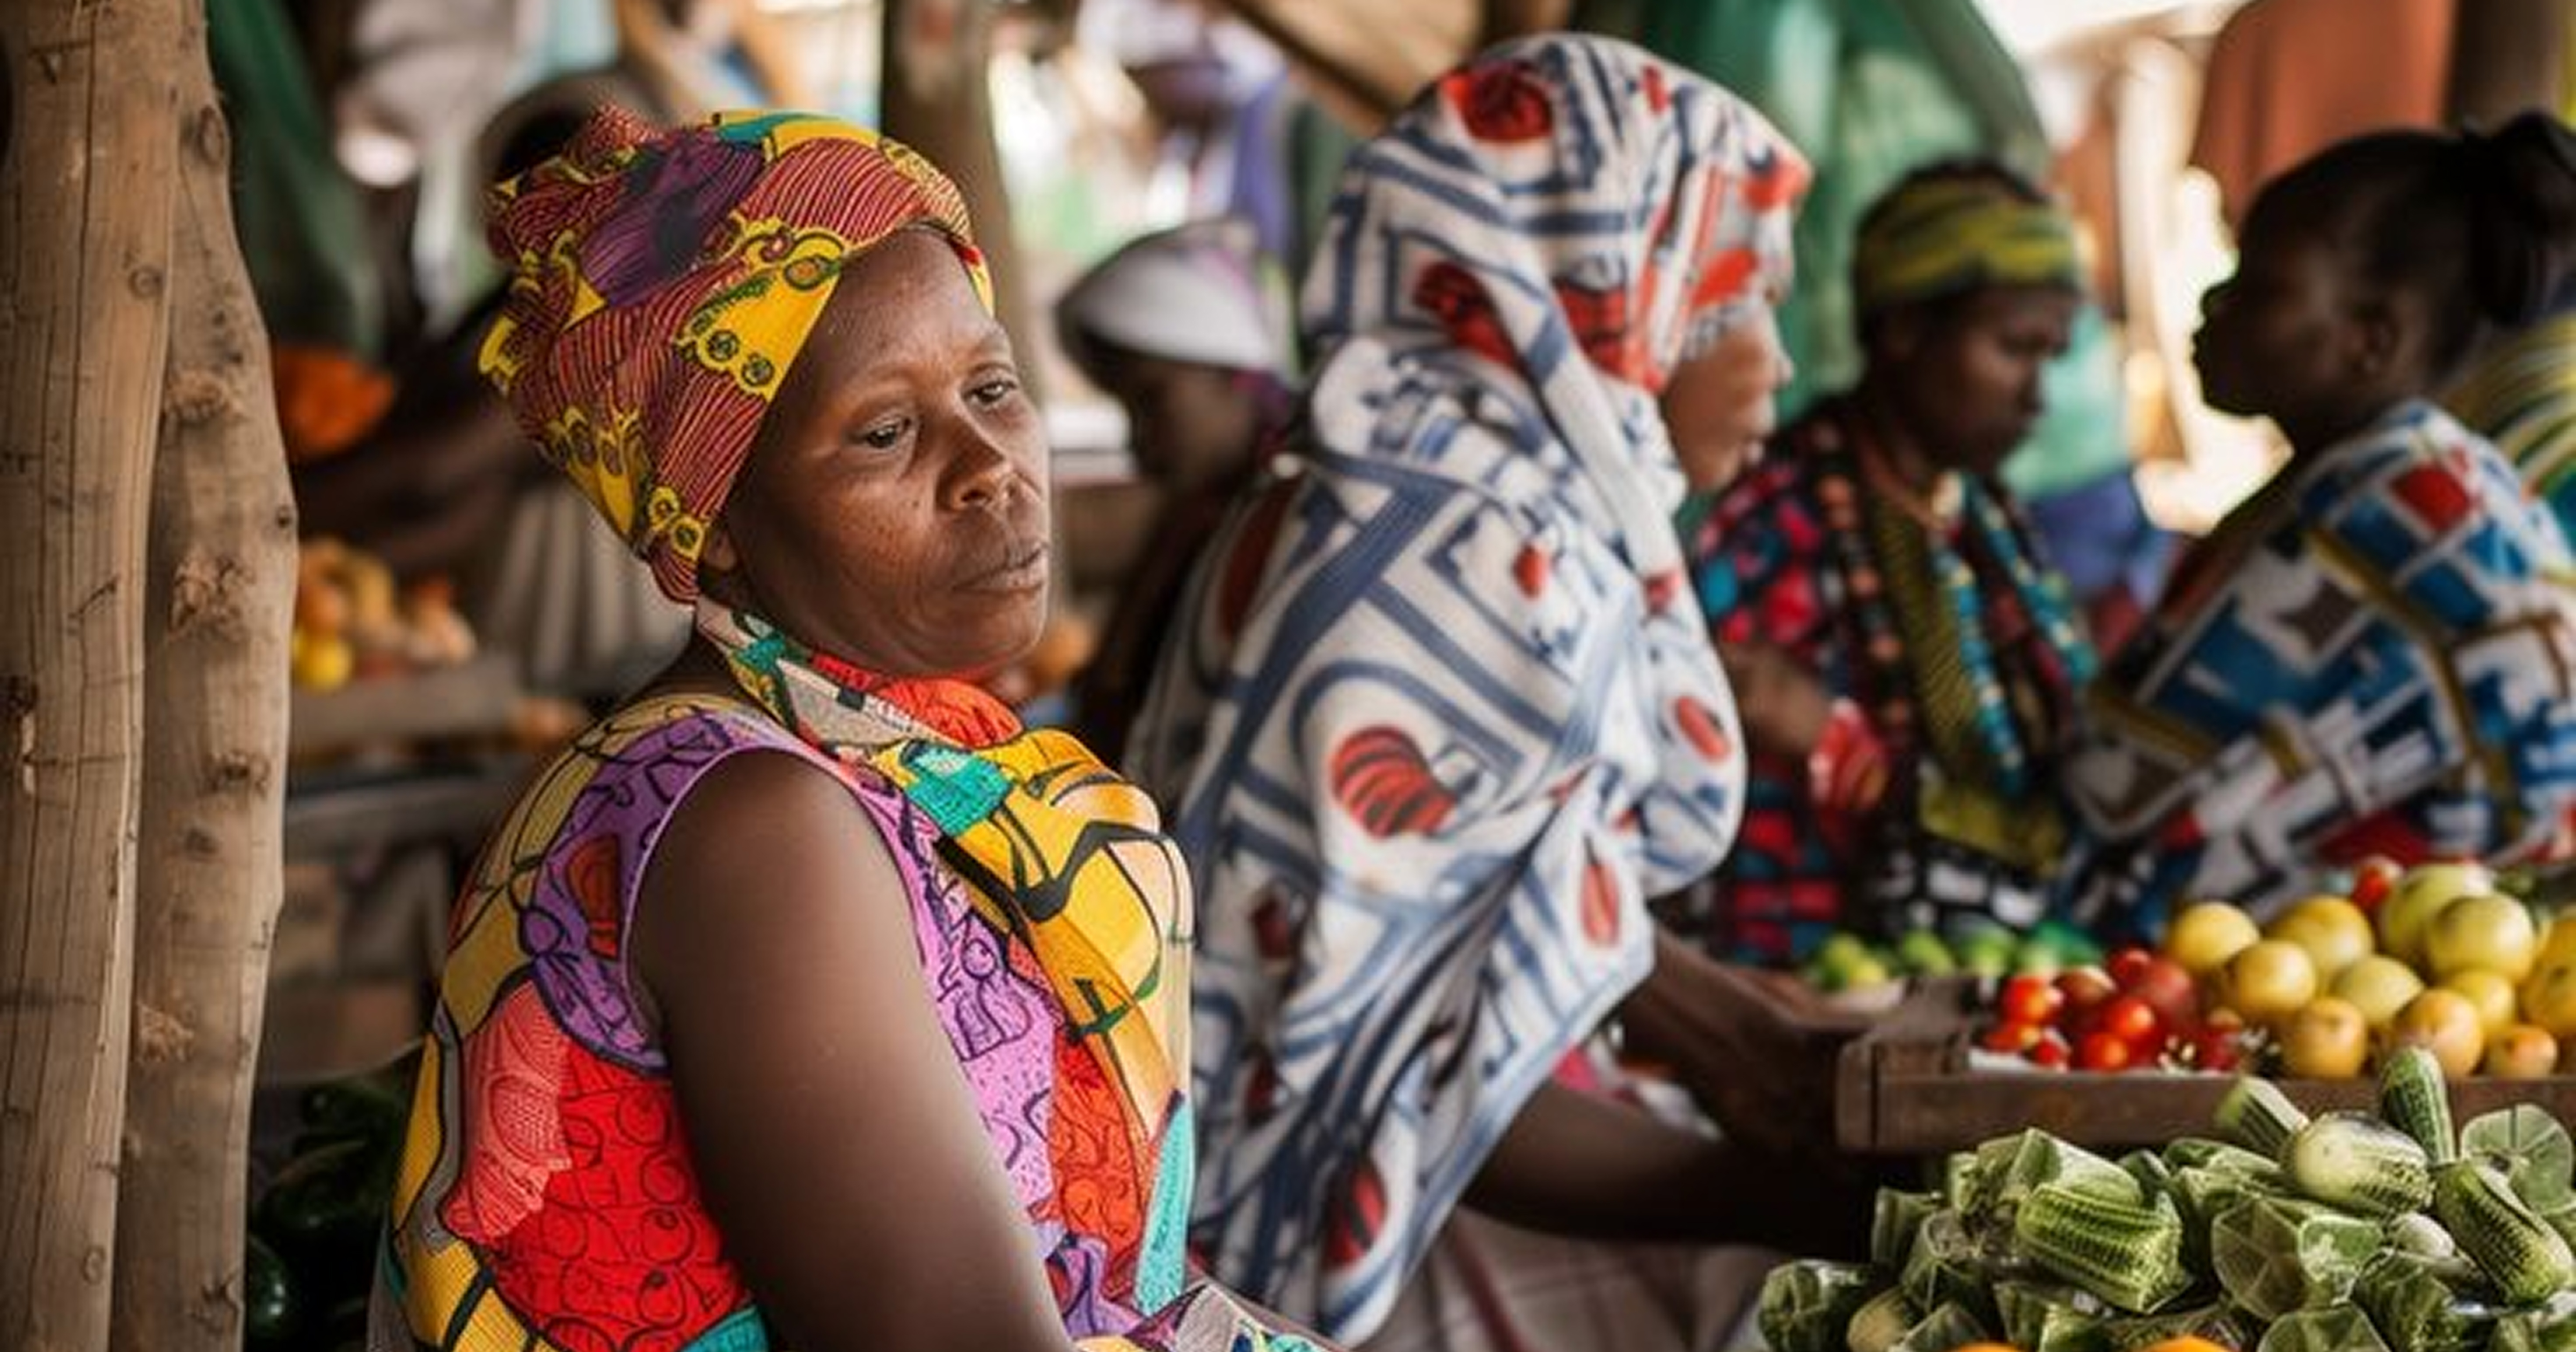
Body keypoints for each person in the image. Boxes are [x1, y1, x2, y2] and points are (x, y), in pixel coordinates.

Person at [371, 107, 1327, 1352]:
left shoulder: (894, 770)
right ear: (712, 520)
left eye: (992, 387)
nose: (989, 462)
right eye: (885, 432)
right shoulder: (746, 823)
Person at [1128, 34, 1866, 1351]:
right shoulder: (1464, 541)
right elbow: (1384, 1079)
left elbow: (1475, 920)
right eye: (1730, 298)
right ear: (1602, 285)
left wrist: (1738, 1037)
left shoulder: (1433, 485)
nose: (1773, 363)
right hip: (1329, 1264)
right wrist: (1804, 1196)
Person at [2059, 112, 2576, 938]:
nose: (2211, 303)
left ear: (2371, 339)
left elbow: (2115, 799)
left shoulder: (2390, 509)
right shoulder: (2406, 477)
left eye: (2260, 285)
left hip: (2389, 981)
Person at [1678, 161, 2096, 965]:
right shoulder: (1772, 527)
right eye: (2014, 347)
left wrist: (1839, 742)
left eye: (2051, 354)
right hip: (1794, 978)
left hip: (2000, 969)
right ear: (1903, 329)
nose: (2036, 394)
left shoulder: (1988, 522)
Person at [1055, 217, 1297, 764]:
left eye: (1151, 400)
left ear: (1233, 375)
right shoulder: (1197, 516)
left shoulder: (1285, 523)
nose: (1139, 439)